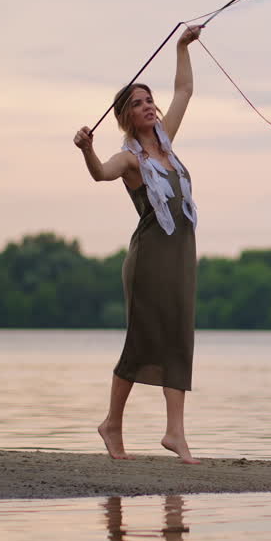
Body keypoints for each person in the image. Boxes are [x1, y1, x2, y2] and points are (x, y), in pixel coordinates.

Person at [73, 25, 203, 463]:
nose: (147, 106)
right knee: (143, 340)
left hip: (181, 256)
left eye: (149, 100)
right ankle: (112, 424)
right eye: (137, 103)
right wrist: (87, 150)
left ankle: (175, 433)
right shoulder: (131, 158)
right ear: (125, 118)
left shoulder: (167, 143)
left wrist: (182, 46)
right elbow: (100, 174)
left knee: (179, 337)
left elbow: (184, 89)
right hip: (148, 259)